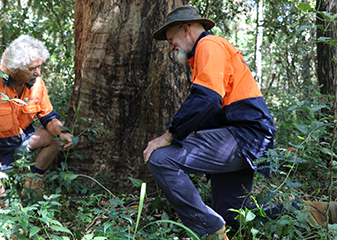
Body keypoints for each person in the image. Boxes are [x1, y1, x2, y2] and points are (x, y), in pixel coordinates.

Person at [144, 5, 337, 240]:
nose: (170, 46)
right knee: (235, 218)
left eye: (170, 39)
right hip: (249, 140)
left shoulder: (209, 44)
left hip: (243, 136)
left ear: (186, 29)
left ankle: (208, 229)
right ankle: (316, 211)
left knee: (161, 158)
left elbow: (207, 98)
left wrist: (171, 135)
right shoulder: (205, 54)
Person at [0, 35, 74, 210]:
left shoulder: (37, 85)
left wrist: (62, 132)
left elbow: (48, 117)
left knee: (56, 137)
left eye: (39, 66)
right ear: (15, 69)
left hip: (21, 142)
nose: (38, 72)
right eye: (32, 68)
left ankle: (32, 182)